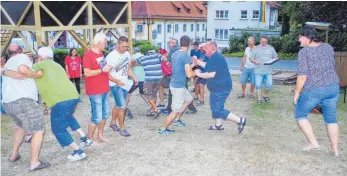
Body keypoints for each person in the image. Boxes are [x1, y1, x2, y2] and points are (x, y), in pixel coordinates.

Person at [18, 47, 93, 161]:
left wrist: (8, 70)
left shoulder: (42, 64)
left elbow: (23, 70)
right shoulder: (56, 65)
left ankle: (78, 151)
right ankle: (84, 138)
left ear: (41, 57)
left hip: (60, 100)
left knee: (57, 129)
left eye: (37, 57)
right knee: (68, 117)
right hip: (72, 96)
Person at [293, 25, 340, 157]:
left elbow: (302, 76)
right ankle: (335, 149)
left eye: (300, 36)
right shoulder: (328, 47)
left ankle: (313, 143)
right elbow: (331, 64)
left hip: (315, 88)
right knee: (331, 119)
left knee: (300, 114)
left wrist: (297, 93)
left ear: (307, 36)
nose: (299, 39)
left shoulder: (304, 52)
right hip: (333, 87)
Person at [2, 44, 50, 172]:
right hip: (23, 100)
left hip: (8, 102)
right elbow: (23, 71)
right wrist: (37, 75)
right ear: (20, 51)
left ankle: (14, 155)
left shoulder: (8, 63)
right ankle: (34, 163)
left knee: (20, 127)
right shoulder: (22, 57)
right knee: (39, 130)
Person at [194, 42, 247, 133]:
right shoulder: (214, 57)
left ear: (213, 48)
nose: (204, 49)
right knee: (215, 106)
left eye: (206, 48)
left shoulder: (216, 57)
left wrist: (199, 74)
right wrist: (198, 62)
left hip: (221, 88)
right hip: (218, 87)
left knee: (218, 109)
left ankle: (240, 120)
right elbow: (208, 66)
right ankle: (218, 125)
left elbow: (211, 74)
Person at [159, 35, 196, 135]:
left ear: (180, 43)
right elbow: (189, 74)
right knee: (175, 110)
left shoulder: (175, 53)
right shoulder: (185, 55)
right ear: (189, 44)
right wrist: (197, 73)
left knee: (189, 99)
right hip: (178, 86)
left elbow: (182, 68)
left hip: (176, 84)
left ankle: (176, 119)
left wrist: (193, 64)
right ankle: (163, 129)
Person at [83, 32, 113, 142]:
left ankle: (100, 135)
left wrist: (108, 68)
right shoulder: (88, 55)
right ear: (98, 42)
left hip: (104, 88)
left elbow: (103, 69)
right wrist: (102, 70)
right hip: (95, 90)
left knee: (105, 114)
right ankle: (89, 138)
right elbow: (87, 73)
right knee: (96, 116)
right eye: (104, 43)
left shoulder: (101, 54)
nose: (105, 45)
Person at [106, 36, 137, 137]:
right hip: (115, 84)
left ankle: (113, 123)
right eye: (124, 46)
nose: (126, 48)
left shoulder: (127, 54)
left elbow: (128, 68)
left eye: (127, 46)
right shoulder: (111, 56)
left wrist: (134, 77)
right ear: (118, 45)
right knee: (122, 107)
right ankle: (122, 128)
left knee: (118, 104)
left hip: (125, 83)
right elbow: (106, 73)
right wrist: (117, 81)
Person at [132, 48, 167, 118]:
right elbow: (165, 59)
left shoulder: (143, 58)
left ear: (147, 53)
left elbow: (132, 61)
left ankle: (156, 109)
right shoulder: (157, 55)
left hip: (149, 79)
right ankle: (152, 110)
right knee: (154, 94)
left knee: (147, 95)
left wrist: (139, 64)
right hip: (158, 78)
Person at [249, 36, 278, 104]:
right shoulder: (255, 48)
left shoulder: (271, 48)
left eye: (265, 42)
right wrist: (255, 61)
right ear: (260, 41)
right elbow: (250, 58)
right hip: (258, 71)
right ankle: (259, 99)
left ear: (267, 42)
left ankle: (265, 94)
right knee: (258, 85)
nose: (263, 43)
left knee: (269, 85)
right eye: (262, 41)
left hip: (268, 71)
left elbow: (275, 57)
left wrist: (275, 59)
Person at [125, 47, 145, 118]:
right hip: (143, 77)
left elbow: (129, 65)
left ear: (134, 51)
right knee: (143, 94)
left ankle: (124, 107)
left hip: (135, 78)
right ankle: (152, 107)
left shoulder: (132, 56)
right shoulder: (144, 56)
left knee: (128, 93)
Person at [158, 49, 172, 114]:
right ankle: (162, 102)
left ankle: (169, 107)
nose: (162, 55)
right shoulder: (163, 60)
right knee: (161, 86)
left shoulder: (167, 60)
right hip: (168, 76)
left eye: (163, 54)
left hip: (170, 76)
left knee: (171, 92)